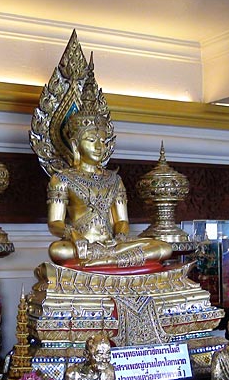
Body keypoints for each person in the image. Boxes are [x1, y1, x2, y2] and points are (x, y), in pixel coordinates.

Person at [46, 65, 171, 268]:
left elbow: (121, 221)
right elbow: (55, 223)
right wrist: (74, 235)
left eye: (102, 141)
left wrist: (121, 236)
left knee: (163, 247)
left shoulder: (115, 180)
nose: (99, 146)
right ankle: (109, 261)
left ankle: (100, 262)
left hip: (113, 246)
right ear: (76, 144)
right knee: (57, 250)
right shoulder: (61, 179)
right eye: (91, 140)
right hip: (81, 247)